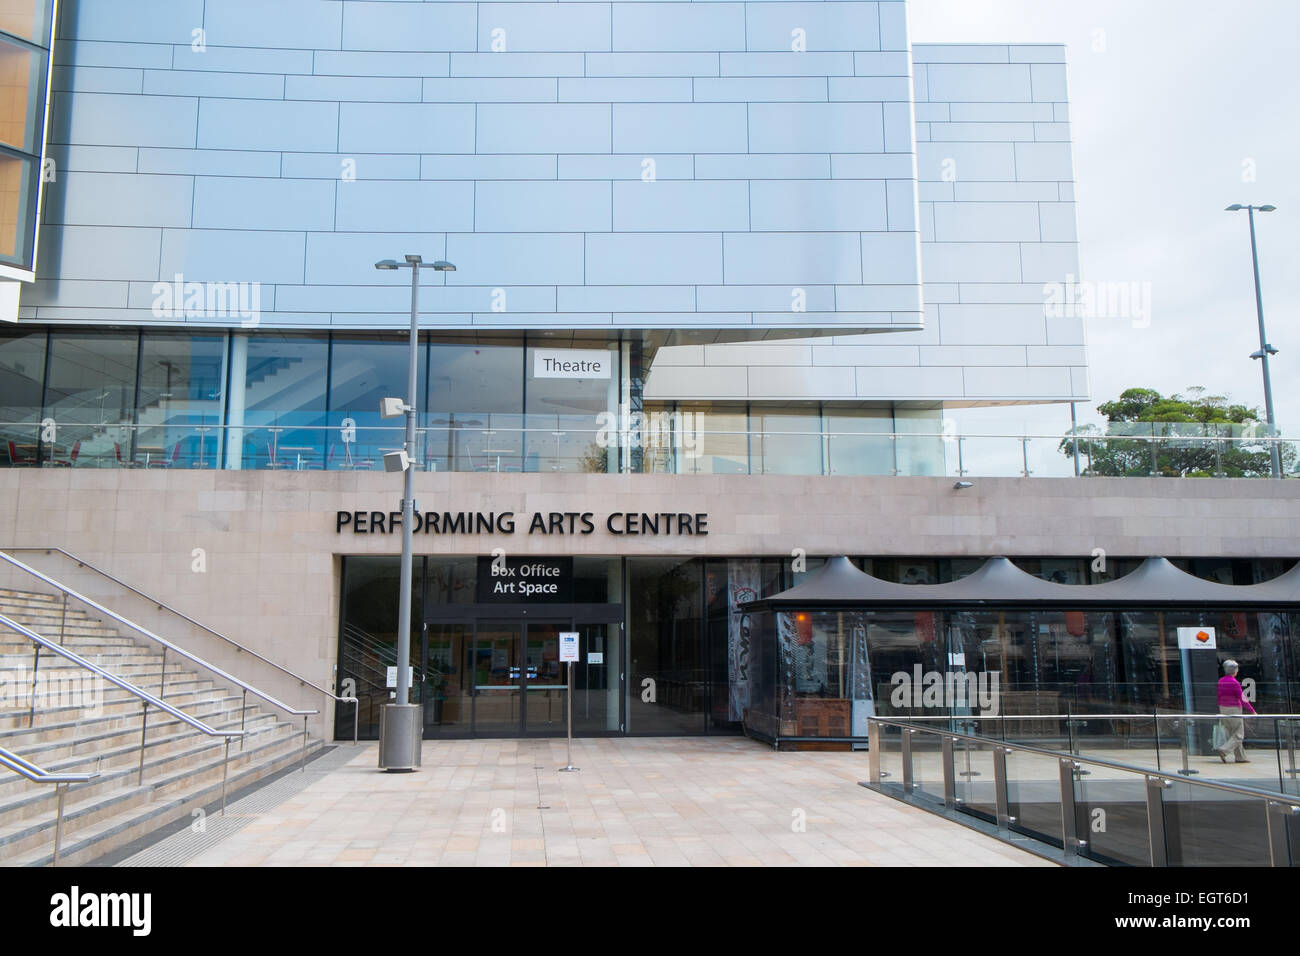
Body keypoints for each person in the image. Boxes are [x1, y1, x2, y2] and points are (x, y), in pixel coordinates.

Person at [1216, 660, 1256, 764]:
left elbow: (1219, 696)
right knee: (1239, 734)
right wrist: (1252, 711)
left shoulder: (1220, 681)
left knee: (1233, 734)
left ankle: (1240, 757)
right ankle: (1224, 750)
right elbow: (1242, 698)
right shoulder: (1235, 683)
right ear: (1235, 671)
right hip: (1234, 709)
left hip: (1223, 709)